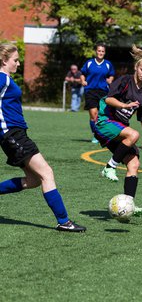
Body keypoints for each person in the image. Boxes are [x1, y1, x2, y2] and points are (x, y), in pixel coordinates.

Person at [0, 43, 86, 233]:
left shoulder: (6, 79)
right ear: (4, 60)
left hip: (16, 135)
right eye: (15, 60)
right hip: (12, 135)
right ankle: (63, 221)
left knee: (34, 180)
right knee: (47, 174)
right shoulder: (2, 79)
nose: (19, 63)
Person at [94, 45, 142, 216]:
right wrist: (124, 104)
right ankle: (109, 167)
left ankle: (128, 203)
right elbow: (108, 99)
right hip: (105, 121)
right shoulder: (124, 81)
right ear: (136, 68)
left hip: (120, 128)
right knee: (133, 134)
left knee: (134, 164)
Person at [81, 43, 115, 143]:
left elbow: (111, 75)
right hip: (90, 91)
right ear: (96, 51)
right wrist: (83, 81)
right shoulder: (89, 63)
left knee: (102, 115)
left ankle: (104, 134)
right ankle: (95, 135)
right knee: (93, 115)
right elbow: (83, 74)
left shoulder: (108, 64)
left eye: (102, 51)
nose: (100, 53)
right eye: (99, 51)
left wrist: (110, 80)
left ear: (104, 53)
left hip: (103, 91)